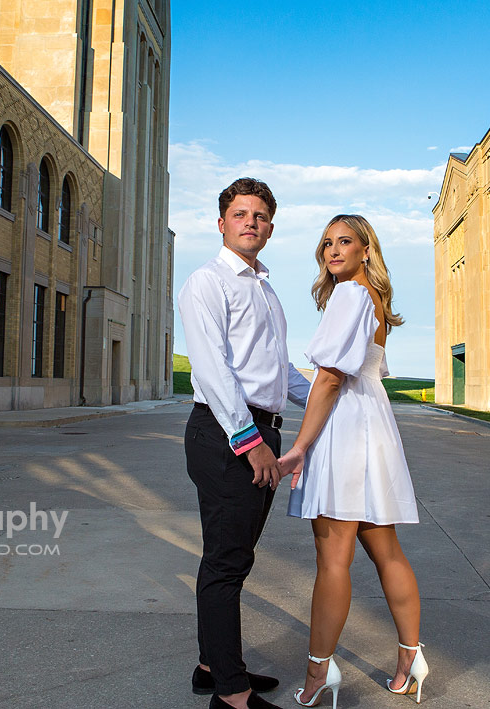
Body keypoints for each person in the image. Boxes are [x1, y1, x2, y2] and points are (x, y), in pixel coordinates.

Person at [277, 214, 428, 707]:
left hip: (345, 432)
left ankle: (319, 673)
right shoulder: (375, 299)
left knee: (332, 558)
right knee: (387, 552)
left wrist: (299, 446)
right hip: (374, 427)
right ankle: (411, 659)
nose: (332, 251)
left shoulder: (348, 295)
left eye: (344, 242)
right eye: (326, 243)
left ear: (367, 249)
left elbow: (328, 380)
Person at [179, 177, 312, 709]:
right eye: (240, 214)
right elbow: (213, 370)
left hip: (260, 430)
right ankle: (231, 696)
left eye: (259, 216)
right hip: (226, 433)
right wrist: (248, 440)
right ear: (221, 223)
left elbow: (276, 370)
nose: (250, 222)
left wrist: (329, 403)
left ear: (271, 228)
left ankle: (214, 666)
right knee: (226, 563)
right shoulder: (207, 283)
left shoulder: (264, 287)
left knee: (232, 557)